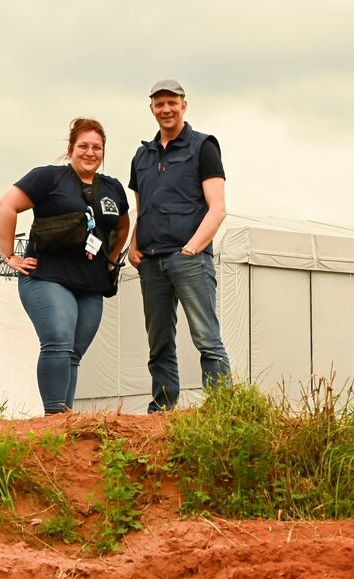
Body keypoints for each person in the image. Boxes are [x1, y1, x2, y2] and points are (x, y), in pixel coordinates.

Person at [0, 118, 130, 415]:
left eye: (97, 147)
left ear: (103, 152)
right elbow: (7, 205)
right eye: (83, 146)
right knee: (57, 341)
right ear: (71, 149)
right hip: (47, 278)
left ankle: (65, 420)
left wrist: (111, 260)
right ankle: (54, 417)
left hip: (90, 284)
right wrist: (8, 255)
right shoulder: (48, 178)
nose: (90, 152)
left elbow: (122, 226)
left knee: (72, 353)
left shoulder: (112, 188)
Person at [128, 79, 231, 412]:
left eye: (172, 102)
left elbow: (218, 207)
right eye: (159, 104)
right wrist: (133, 245)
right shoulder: (141, 156)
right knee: (159, 343)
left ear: (184, 105)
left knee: (206, 338)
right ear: (152, 109)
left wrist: (193, 248)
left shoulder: (203, 147)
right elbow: (141, 208)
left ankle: (221, 409)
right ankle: (161, 409)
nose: (166, 109)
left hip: (189, 258)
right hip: (151, 262)